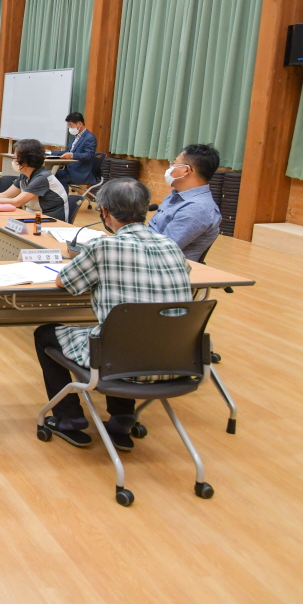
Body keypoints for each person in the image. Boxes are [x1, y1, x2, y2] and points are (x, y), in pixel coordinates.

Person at [33, 178, 193, 451]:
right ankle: (122, 421)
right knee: (132, 332)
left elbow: (64, 282)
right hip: (175, 361)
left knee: (45, 334)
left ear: (104, 212)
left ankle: (69, 418)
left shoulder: (102, 247)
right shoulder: (171, 246)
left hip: (117, 361)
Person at [148, 144, 223, 262]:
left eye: (174, 163)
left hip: (162, 268)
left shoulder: (197, 209)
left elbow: (160, 251)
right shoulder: (177, 195)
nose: (171, 168)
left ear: (186, 170)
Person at [0, 138, 68, 221]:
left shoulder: (42, 178)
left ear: (25, 160)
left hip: (50, 221)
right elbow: (6, 195)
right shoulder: (25, 175)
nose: (14, 161)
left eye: (15, 158)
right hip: (34, 217)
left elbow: (17, 202)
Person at [49, 112, 98, 187]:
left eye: (71, 125)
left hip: (80, 172)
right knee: (49, 175)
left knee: (56, 177)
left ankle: (63, 195)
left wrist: (72, 155)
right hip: (70, 169)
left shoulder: (90, 137)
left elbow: (89, 155)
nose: (69, 128)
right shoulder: (75, 137)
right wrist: (49, 152)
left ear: (79, 124)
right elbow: (66, 152)